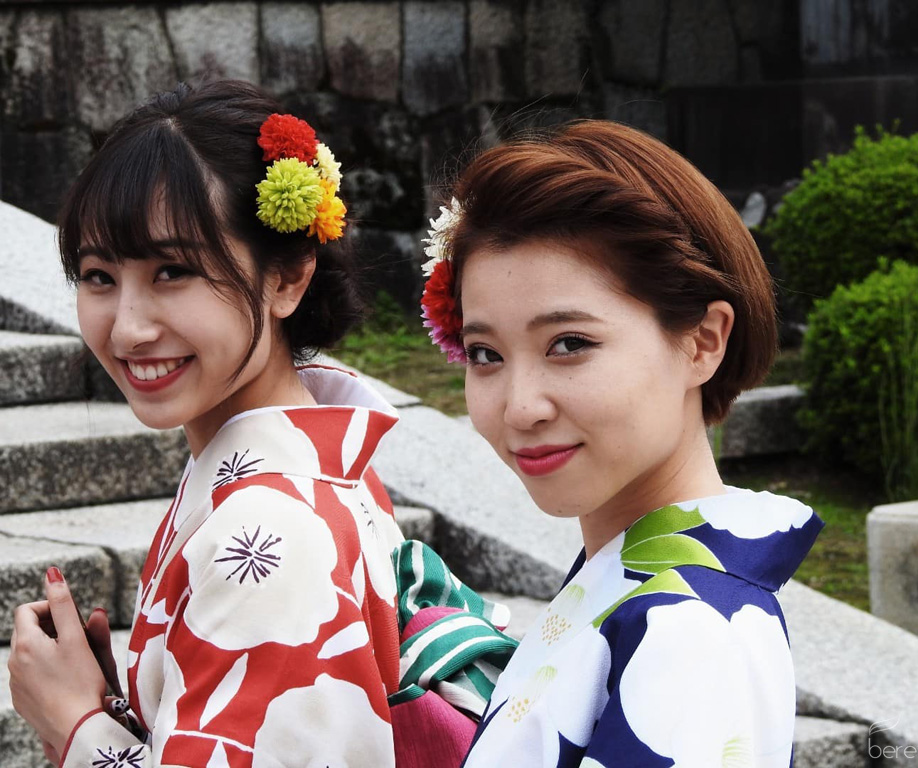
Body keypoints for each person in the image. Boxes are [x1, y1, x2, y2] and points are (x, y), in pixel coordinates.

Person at [7, 79, 408, 767]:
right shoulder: (321, 466)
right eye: (99, 276)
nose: (127, 329)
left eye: (172, 271)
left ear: (287, 277)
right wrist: (119, 708)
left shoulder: (267, 528)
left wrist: (75, 723)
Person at [419, 120, 825, 767]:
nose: (520, 407)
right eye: (485, 353)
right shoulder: (630, 587)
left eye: (569, 344)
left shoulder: (689, 634)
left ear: (703, 342)